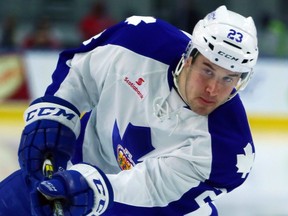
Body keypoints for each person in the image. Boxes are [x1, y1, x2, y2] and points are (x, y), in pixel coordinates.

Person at [0, 5, 258, 215]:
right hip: (76, 165)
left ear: (241, 81)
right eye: (208, 70)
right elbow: (81, 73)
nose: (213, 89)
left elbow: (152, 188)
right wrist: (54, 117)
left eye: (228, 79)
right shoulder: (140, 40)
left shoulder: (229, 148)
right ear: (189, 58)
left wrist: (88, 189)